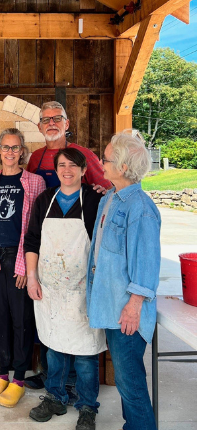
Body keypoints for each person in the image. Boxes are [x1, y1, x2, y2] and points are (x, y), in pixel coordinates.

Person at [25, 101, 111, 392]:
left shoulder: (85, 155)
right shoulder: (35, 157)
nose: (51, 123)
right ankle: (53, 379)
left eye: (57, 118)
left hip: (79, 261)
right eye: (46, 119)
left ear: (67, 122)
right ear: (39, 126)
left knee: (80, 327)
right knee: (50, 326)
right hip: (48, 255)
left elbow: (108, 189)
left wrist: (100, 190)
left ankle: (76, 386)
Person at [87, 131, 160, 430]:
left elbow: (146, 263)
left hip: (126, 313)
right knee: (127, 385)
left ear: (123, 166)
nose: (101, 162)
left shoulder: (140, 208)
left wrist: (134, 305)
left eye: (106, 159)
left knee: (131, 387)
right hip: (112, 305)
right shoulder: (111, 198)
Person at [0, 128, 45, 408]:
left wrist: (26, 267)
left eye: (16, 148)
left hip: (21, 260)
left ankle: (18, 378)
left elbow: (36, 228)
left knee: (22, 320)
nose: (11, 152)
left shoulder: (35, 182)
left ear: (22, 151)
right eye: (6, 147)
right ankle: (1, 374)